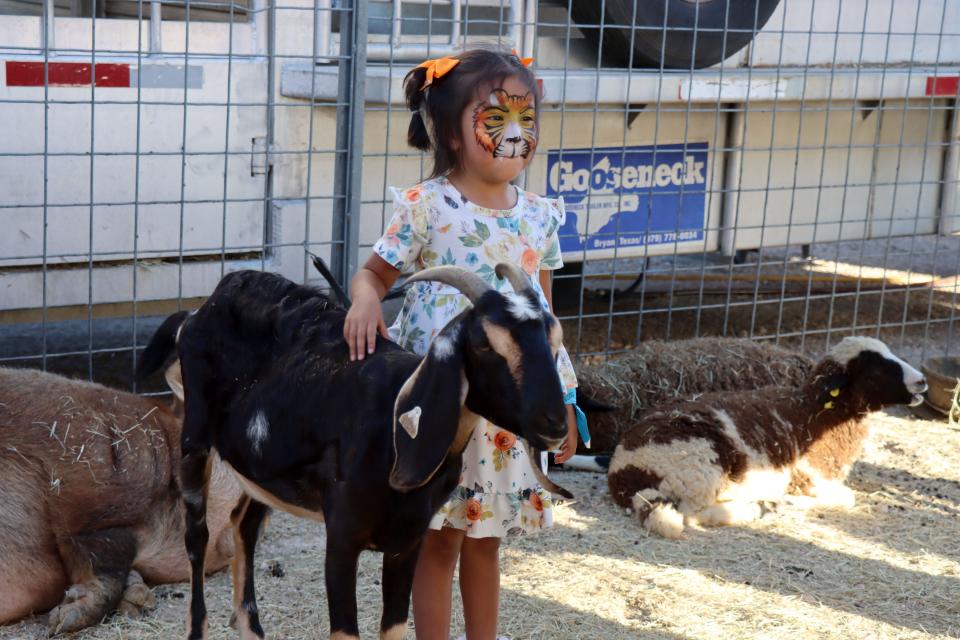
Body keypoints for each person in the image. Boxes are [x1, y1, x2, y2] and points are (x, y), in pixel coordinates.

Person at [344, 48, 581, 640]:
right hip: (439, 406)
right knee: (435, 540)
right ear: (450, 134)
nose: (515, 135)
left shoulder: (539, 218)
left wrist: (567, 400)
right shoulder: (426, 209)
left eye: (526, 118)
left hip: (506, 411)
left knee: (486, 541)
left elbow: (543, 320)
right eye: (495, 118)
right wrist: (367, 298)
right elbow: (373, 274)